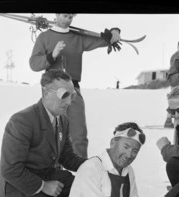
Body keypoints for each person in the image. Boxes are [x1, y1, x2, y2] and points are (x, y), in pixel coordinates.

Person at [29, 13, 122, 158]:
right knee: (53, 134)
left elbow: (103, 40)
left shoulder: (78, 37)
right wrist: (52, 55)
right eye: (65, 16)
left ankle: (80, 171)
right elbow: (34, 64)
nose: (67, 20)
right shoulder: (45, 37)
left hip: (73, 89)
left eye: (70, 17)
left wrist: (114, 32)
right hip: (53, 90)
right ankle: (54, 171)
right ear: (57, 14)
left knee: (79, 135)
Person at [164, 40, 179, 128]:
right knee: (173, 101)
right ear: (177, 47)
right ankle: (168, 120)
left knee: (177, 101)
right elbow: (174, 70)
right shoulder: (175, 57)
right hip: (176, 82)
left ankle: (170, 120)